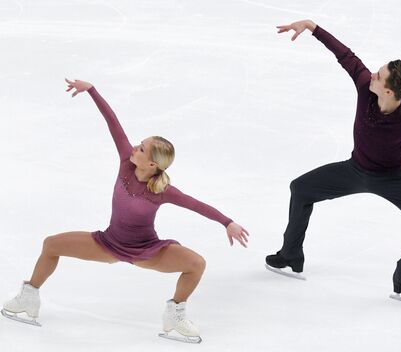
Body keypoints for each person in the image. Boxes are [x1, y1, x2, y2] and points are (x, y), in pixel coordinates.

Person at [2, 79, 249, 342]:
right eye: (138, 144)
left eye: (141, 149)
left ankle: (175, 315)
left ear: (152, 164)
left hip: (146, 252)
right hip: (107, 243)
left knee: (196, 264)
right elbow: (113, 123)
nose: (134, 148)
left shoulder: (162, 190)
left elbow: (196, 205)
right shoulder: (126, 163)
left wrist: (227, 222)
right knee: (51, 245)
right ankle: (28, 300)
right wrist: (92, 91)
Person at [265, 20, 401, 306]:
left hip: (394, 179)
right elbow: (346, 56)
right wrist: (312, 27)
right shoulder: (366, 86)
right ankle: (290, 255)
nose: (371, 74)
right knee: (300, 189)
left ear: (389, 91)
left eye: (379, 75)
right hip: (355, 170)